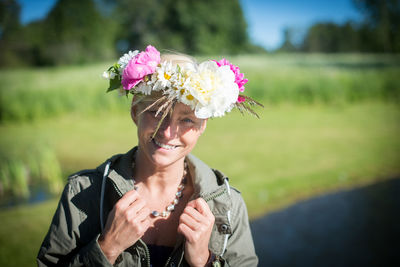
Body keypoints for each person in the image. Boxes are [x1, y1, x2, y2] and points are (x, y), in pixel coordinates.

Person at [37, 45, 261, 266]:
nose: (167, 132)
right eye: (157, 112)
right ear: (136, 111)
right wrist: (108, 248)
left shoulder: (229, 204)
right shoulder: (83, 193)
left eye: (186, 120)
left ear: (202, 125)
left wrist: (204, 260)